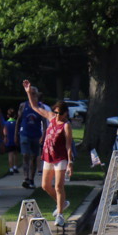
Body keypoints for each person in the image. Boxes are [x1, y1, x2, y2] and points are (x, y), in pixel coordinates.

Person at [22, 79, 73, 226]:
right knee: (45, 185)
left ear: (65, 113)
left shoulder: (66, 125)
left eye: (59, 113)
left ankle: (60, 215)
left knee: (58, 186)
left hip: (60, 157)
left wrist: (70, 163)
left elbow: (68, 145)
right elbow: (34, 106)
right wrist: (28, 93)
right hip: (48, 156)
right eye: (55, 112)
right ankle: (62, 203)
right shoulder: (51, 117)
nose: (57, 115)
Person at [17, 85, 47, 189]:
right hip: (25, 134)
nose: (32, 95)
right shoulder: (23, 105)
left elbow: (44, 122)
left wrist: (43, 135)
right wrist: (16, 135)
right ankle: (26, 178)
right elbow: (18, 120)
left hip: (36, 135)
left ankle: (31, 179)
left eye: (34, 93)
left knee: (34, 157)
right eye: (30, 93)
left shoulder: (40, 107)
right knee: (25, 155)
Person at [4, 108, 19, 174]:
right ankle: (15, 167)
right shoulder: (16, 123)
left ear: (8, 115)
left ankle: (11, 168)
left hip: (9, 140)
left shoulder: (6, 123)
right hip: (15, 140)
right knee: (15, 154)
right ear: (15, 115)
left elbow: (4, 132)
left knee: (10, 155)